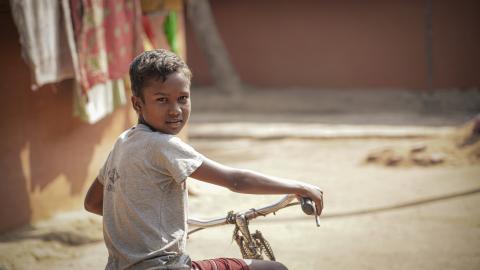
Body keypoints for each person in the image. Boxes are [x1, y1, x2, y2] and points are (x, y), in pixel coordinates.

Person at [84, 49, 324, 270]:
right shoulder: (163, 145)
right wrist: (299, 186)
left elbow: (93, 202)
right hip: (166, 266)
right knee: (274, 269)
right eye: (161, 100)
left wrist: (145, 223)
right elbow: (236, 180)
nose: (175, 109)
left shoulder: (123, 142)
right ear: (137, 103)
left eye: (182, 98)